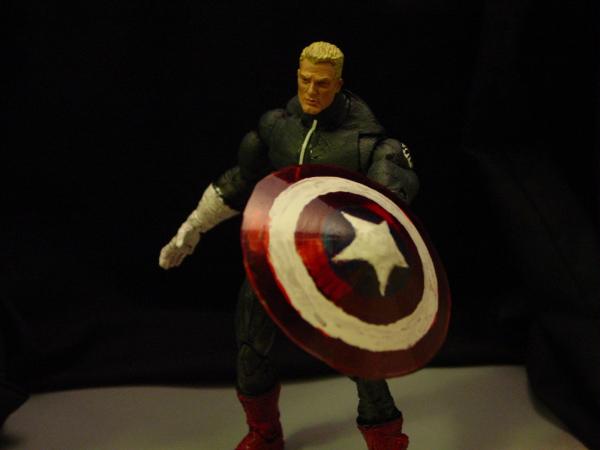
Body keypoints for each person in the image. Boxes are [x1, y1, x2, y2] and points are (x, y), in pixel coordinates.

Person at [159, 41, 419, 450]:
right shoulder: (278, 127)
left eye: (323, 83)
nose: (312, 90)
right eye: (305, 80)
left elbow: (390, 204)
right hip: (276, 255)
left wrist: (372, 239)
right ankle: (264, 434)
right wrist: (194, 226)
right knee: (250, 347)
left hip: (339, 265)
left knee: (361, 363)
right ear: (297, 76)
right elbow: (241, 180)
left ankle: (387, 443)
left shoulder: (368, 144)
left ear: (339, 84)